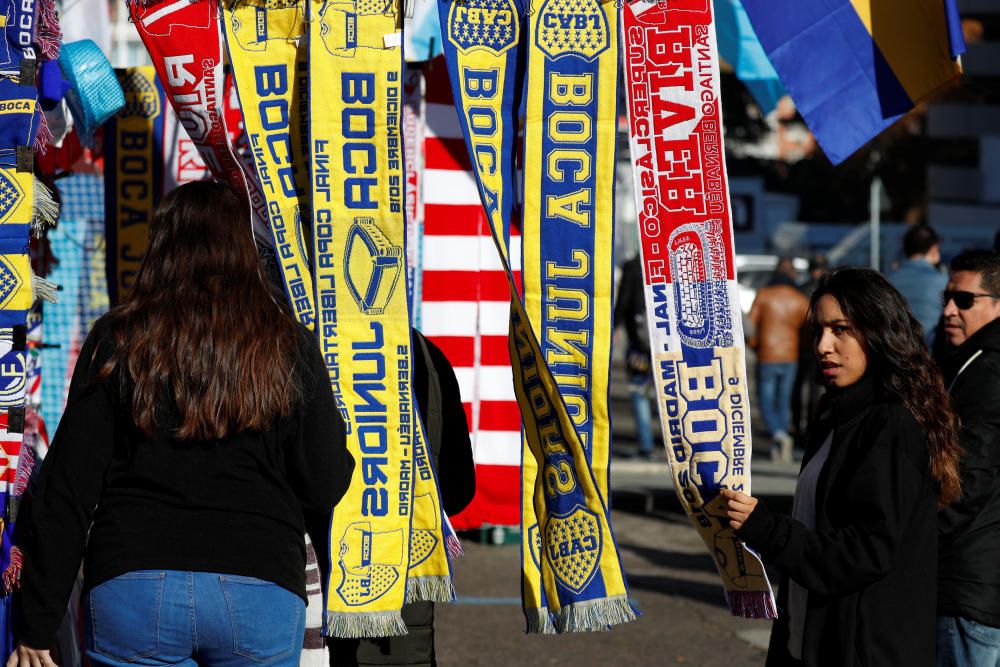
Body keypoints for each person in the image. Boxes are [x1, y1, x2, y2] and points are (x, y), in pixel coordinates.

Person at [11, 182, 355, 667]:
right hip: (259, 585)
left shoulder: (119, 339)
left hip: (134, 585)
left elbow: (68, 488)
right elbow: (324, 482)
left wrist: (37, 623)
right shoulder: (287, 344)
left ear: (160, 248)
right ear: (246, 251)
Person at [723, 268, 962, 666]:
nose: (823, 346)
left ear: (878, 332)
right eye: (817, 330)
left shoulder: (891, 423)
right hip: (810, 638)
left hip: (863, 649)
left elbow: (865, 552)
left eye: (841, 330)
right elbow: (821, 523)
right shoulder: (834, 413)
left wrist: (768, 529)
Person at [327, 329, 475, 667]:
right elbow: (458, 489)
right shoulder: (427, 356)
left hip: (317, 602)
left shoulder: (302, 338)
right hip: (404, 614)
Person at [936, 250, 1000, 666]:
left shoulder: (987, 369)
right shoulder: (970, 361)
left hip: (971, 583)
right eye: (947, 297)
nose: (948, 311)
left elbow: (968, 478)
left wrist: (913, 533)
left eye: (963, 300)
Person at [747, 257, 809, 462]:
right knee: (783, 400)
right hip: (790, 355)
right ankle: (781, 439)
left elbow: (750, 326)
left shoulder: (764, 295)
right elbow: (809, 328)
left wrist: (755, 345)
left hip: (767, 353)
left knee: (765, 400)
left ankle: (778, 435)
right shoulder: (800, 299)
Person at [613, 255, 656, 459]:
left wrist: (615, 327)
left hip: (639, 342)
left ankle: (646, 444)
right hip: (669, 342)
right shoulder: (671, 261)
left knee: (639, 392)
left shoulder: (633, 266)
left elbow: (624, 300)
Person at [889, 224, 948, 346]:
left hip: (898, 351)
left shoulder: (889, 281)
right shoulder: (942, 281)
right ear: (934, 249)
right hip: (931, 351)